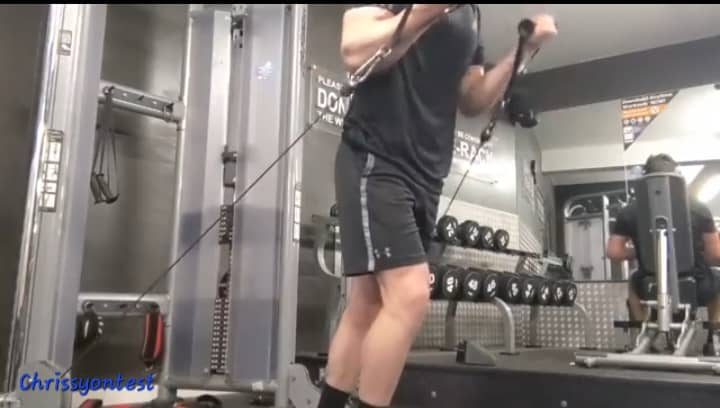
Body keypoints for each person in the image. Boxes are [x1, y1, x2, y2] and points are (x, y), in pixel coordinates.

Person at [320, 5, 558, 408]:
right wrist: (427, 11)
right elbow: (355, 50)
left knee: (366, 303)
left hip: (427, 172)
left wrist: (526, 49)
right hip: (377, 154)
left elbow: (472, 97)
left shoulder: (471, 12)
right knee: (410, 295)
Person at [606, 154, 720, 354]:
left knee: (634, 280)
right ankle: (714, 337)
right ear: (677, 176)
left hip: (650, 286)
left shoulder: (629, 211)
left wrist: (640, 251)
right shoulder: (698, 207)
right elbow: (715, 254)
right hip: (696, 286)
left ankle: (642, 337)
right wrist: (697, 253)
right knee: (718, 278)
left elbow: (614, 253)